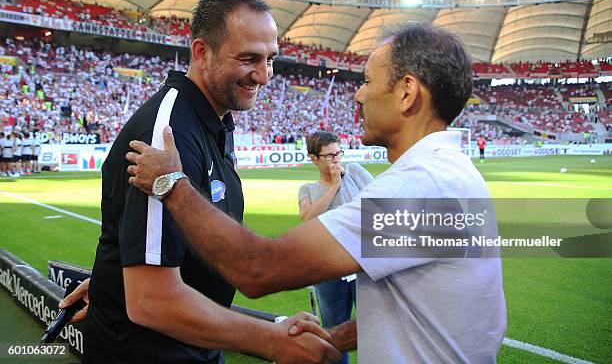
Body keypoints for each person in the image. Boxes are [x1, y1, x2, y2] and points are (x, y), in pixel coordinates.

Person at [123, 22, 507, 362]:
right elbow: (422, 307)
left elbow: (258, 268)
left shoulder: (423, 186)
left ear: (407, 92)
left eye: (369, 81)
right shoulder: (449, 172)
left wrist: (172, 184)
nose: (358, 96)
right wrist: (334, 337)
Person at [60, 0, 339, 364]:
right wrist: (271, 340)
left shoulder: (218, 118)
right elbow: (151, 301)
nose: (264, 74)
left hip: (194, 345)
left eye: (270, 59)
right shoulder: (166, 136)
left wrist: (113, 275)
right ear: (201, 51)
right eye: (248, 58)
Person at [298, 131, 373, 364]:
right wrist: (333, 186)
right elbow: (308, 219)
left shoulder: (357, 172)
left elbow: (382, 203)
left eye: (338, 153)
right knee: (334, 331)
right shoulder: (308, 189)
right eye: (329, 156)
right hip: (327, 268)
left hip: (364, 264)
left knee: (373, 327)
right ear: (314, 158)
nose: (336, 159)